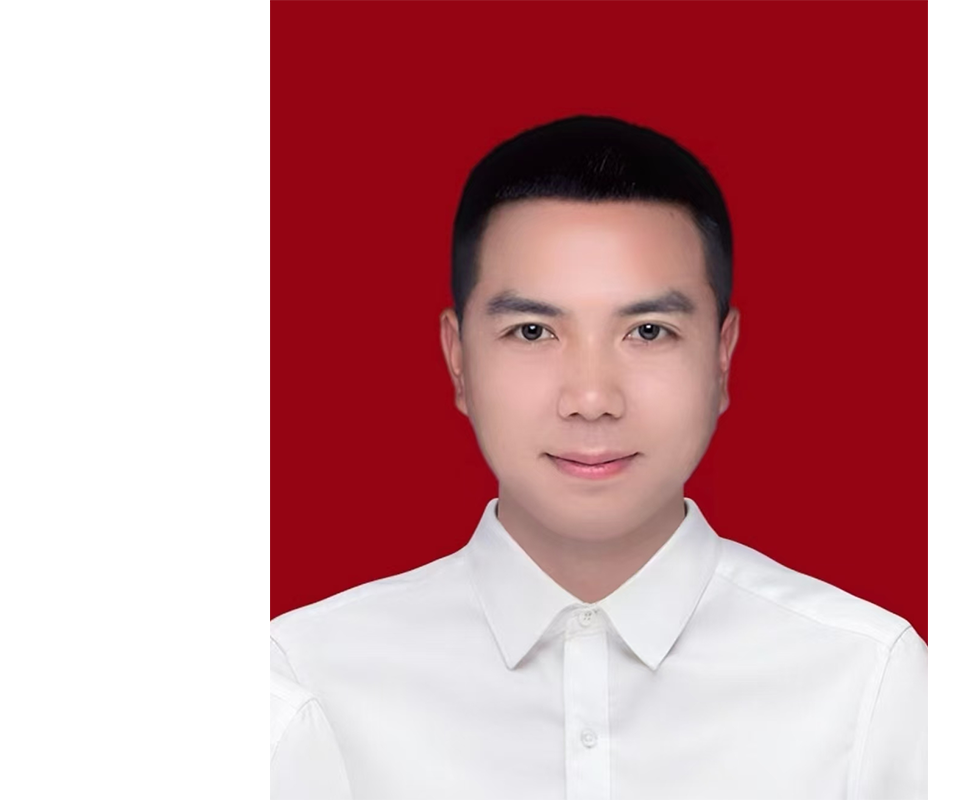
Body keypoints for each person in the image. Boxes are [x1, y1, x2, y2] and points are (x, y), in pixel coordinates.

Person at [270, 115, 927, 799]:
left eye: (649, 331)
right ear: (458, 359)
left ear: (722, 357)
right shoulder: (301, 679)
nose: (591, 399)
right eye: (532, 331)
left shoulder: (870, 682)